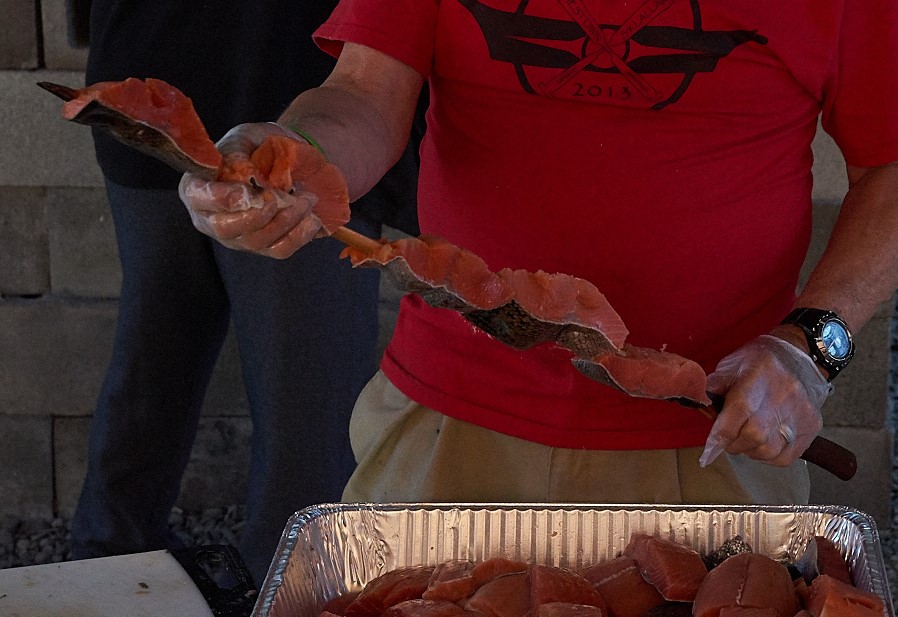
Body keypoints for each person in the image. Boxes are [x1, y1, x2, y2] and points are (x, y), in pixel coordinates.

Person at [179, 1, 898, 507]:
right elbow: (365, 94)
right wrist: (298, 155)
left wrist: (810, 348)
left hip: (712, 434)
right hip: (450, 412)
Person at [69, 0, 423, 586]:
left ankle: (104, 566)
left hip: (194, 81)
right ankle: (290, 586)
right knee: (308, 408)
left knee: (158, 360)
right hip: (292, 103)